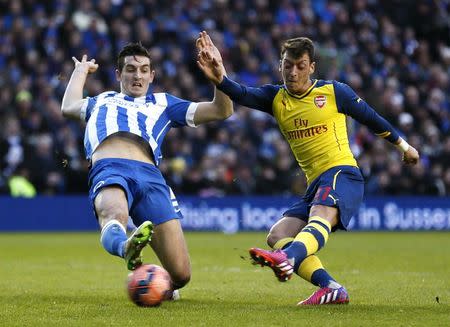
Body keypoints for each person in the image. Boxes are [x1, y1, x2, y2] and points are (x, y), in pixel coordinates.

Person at [196, 31, 419, 305]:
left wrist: (404, 147)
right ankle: (331, 287)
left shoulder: (334, 92)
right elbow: (240, 93)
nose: (293, 72)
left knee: (319, 214)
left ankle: (288, 259)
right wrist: (219, 76)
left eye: (300, 66)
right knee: (278, 235)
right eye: (287, 65)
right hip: (315, 184)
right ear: (280, 64)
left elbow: (372, 119)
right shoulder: (275, 98)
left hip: (342, 173)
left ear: (312, 67)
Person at [61, 42, 232, 297]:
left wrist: (220, 76)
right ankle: (126, 247)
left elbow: (222, 110)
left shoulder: (164, 103)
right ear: (119, 75)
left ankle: (155, 281)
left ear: (152, 76)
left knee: (181, 275)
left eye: (143, 70)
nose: (137, 76)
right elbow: (68, 106)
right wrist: (81, 71)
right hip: (110, 167)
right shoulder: (101, 101)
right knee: (113, 214)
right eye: (130, 69)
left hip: (151, 178)